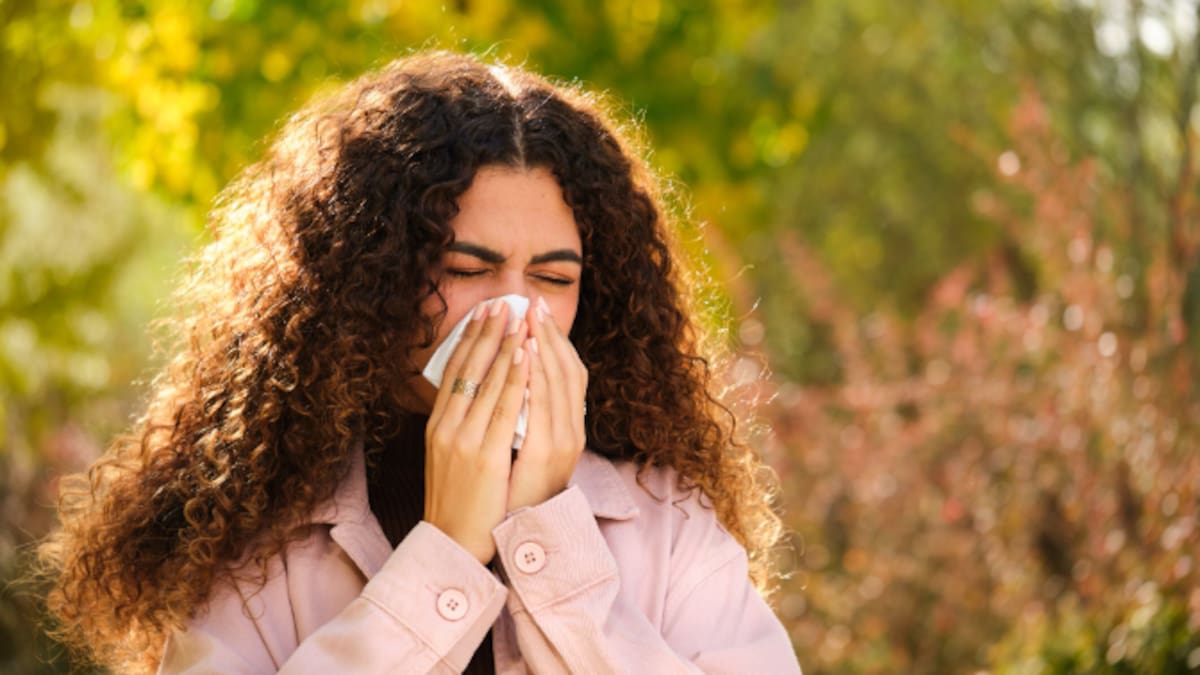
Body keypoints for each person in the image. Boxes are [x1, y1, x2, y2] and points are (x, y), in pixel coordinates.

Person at [37, 51, 801, 674]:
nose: (515, 312)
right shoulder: (258, 547)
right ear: (372, 279)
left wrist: (550, 543)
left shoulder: (666, 522)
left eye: (554, 278)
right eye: (467, 269)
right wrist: (443, 554)